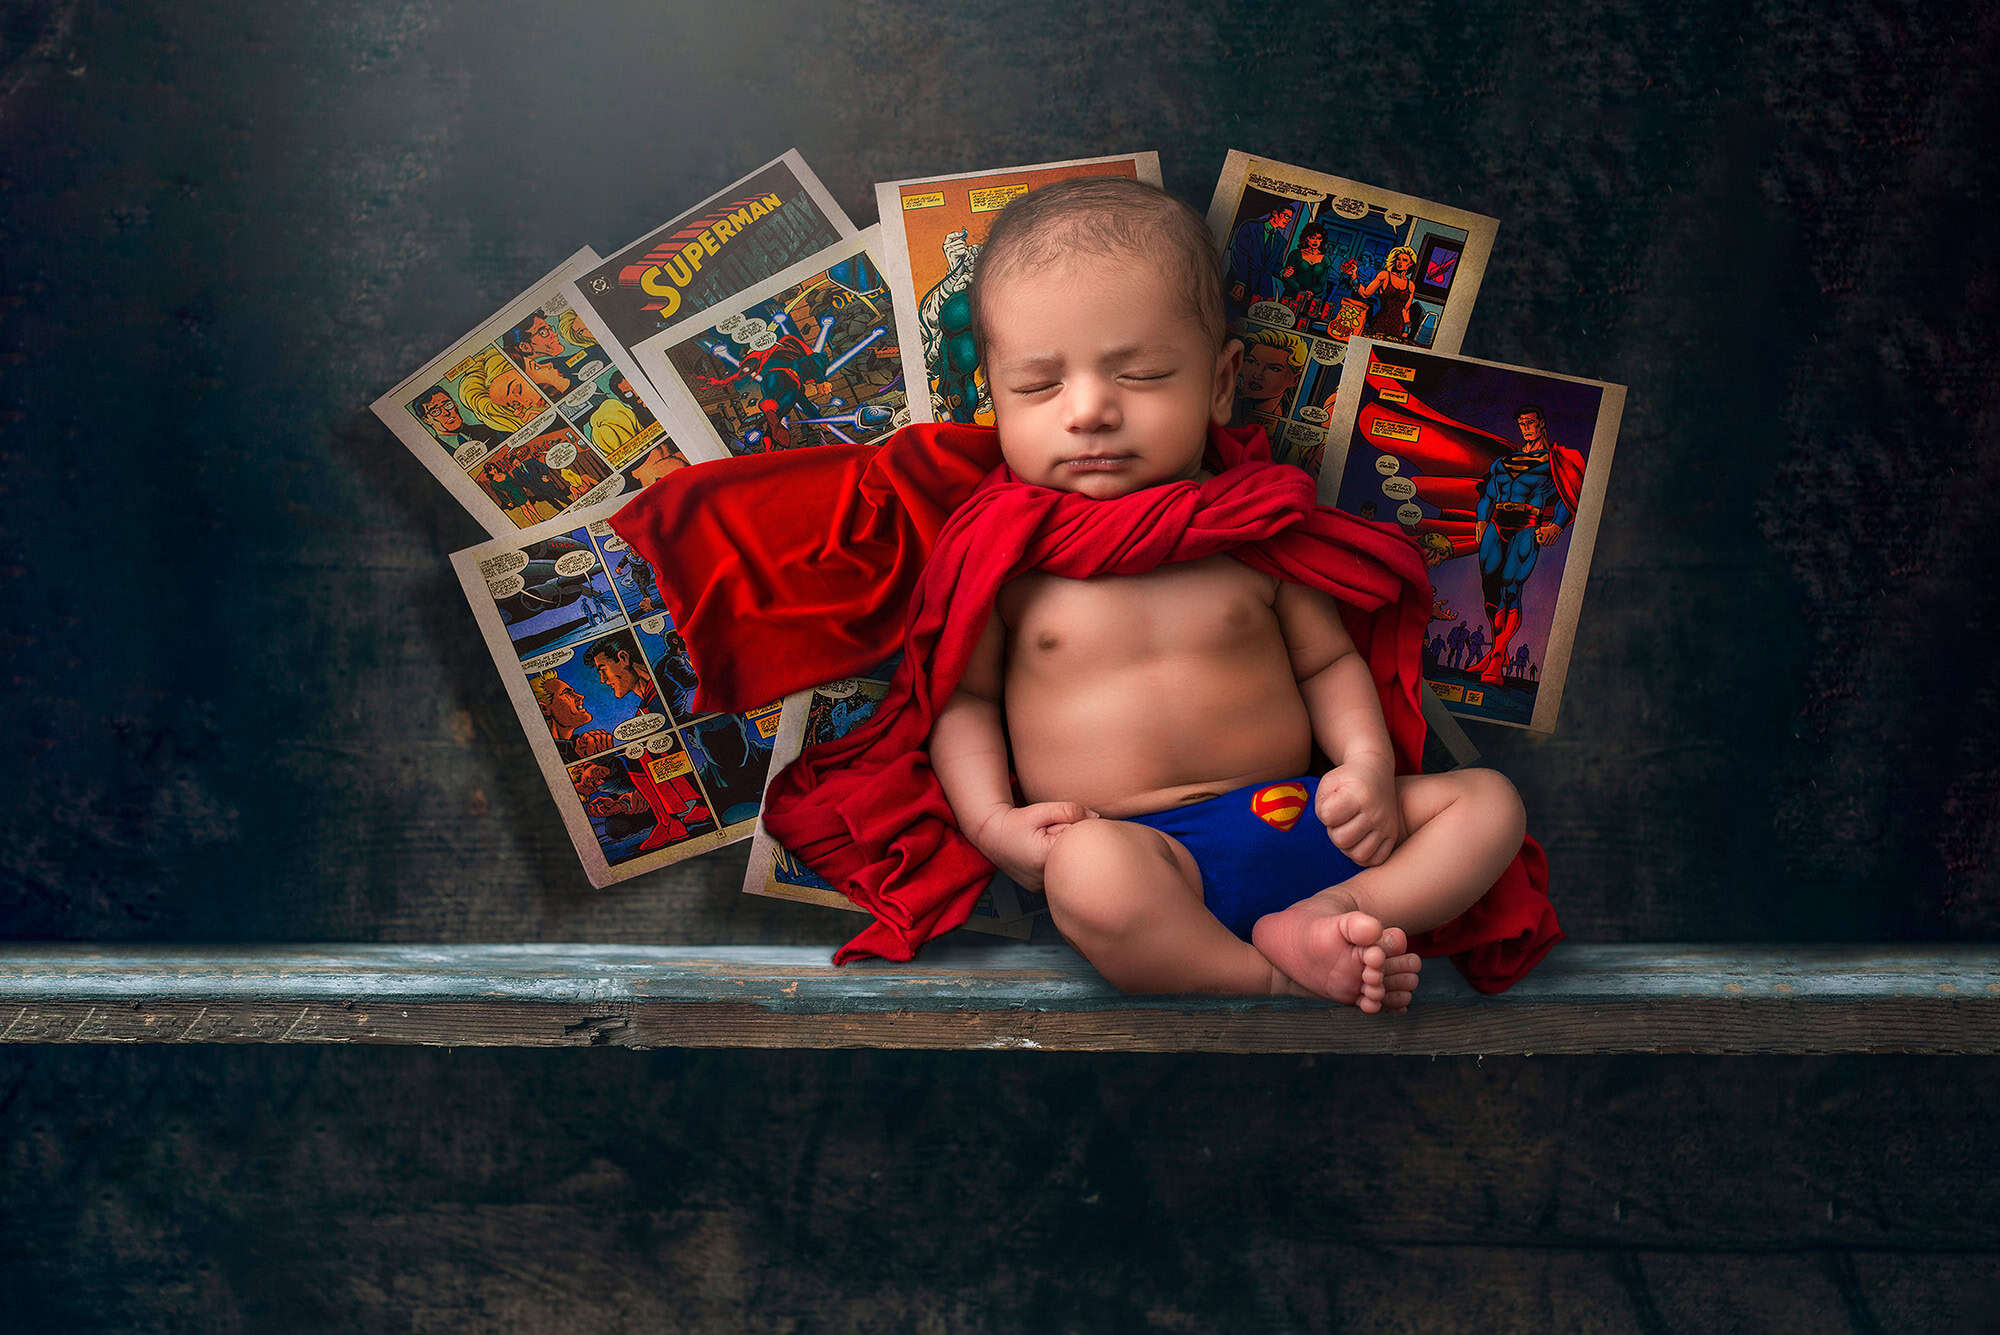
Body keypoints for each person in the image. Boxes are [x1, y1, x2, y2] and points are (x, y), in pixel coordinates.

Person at [928, 178, 1528, 1010]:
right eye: (1038, 387)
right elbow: (963, 698)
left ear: (1220, 383)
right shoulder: (1008, 564)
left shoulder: (1252, 532)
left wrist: (1364, 764)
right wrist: (991, 822)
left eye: (1139, 375)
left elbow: (1327, 666)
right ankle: (1272, 976)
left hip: (1302, 817)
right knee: (1084, 871)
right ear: (992, 397)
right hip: (1144, 849)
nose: (1091, 410)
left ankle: (1340, 914)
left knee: (1488, 804)